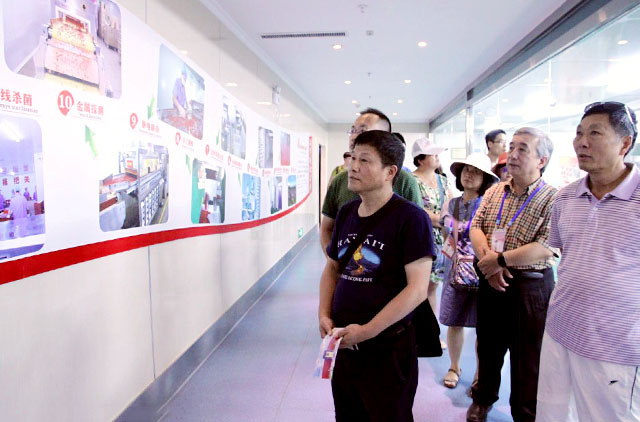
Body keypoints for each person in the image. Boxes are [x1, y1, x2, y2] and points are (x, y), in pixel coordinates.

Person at [318, 130, 434, 421]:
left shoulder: (411, 218)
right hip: (345, 344)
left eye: (365, 160)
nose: (352, 167)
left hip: (388, 348)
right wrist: (323, 313)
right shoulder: (347, 213)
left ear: (390, 172)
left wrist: (367, 330)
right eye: (353, 158)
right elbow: (332, 267)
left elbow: (417, 289)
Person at [536, 102, 640, 422]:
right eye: (579, 133)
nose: (581, 142)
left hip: (615, 344)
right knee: (551, 414)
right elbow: (562, 252)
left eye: (595, 133)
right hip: (560, 330)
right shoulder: (566, 197)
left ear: (625, 143)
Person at [466, 127, 558, 422]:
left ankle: (524, 413)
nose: (513, 155)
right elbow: (476, 226)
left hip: (530, 288)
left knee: (527, 356)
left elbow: (547, 245)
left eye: (522, 149)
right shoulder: (495, 191)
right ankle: (482, 399)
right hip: (490, 280)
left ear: (541, 160)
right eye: (512, 147)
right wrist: (488, 262)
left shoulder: (554, 198)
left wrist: (500, 261)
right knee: (488, 346)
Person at [320, 108, 422, 254]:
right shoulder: (340, 181)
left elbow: (417, 234)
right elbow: (327, 228)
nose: (354, 136)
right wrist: (334, 261)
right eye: (353, 130)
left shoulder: (406, 181)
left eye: (362, 131)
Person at [439, 153, 498, 389]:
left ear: (485, 178)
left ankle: (480, 373)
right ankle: (454, 367)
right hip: (454, 271)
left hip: (481, 270)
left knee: (483, 325)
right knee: (454, 321)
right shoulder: (451, 203)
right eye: (465, 170)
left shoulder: (489, 205)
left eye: (475, 171)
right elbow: (446, 235)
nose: (469, 175)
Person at [411, 137, 453, 349]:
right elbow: (414, 209)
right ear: (420, 159)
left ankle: (430, 333)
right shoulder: (412, 181)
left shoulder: (442, 180)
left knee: (432, 288)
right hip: (420, 238)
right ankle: (416, 333)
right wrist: (440, 219)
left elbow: (451, 205)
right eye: (432, 154)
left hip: (441, 240)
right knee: (416, 287)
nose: (437, 157)